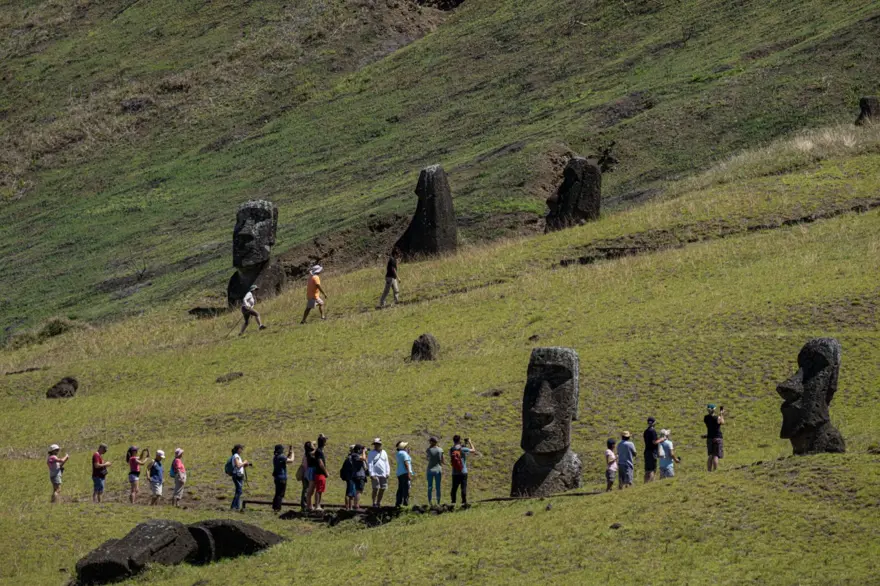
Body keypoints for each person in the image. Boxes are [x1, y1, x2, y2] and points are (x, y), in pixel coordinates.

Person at [450, 435, 476, 506]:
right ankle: (464, 503)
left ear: (453, 440)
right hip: (463, 472)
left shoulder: (451, 449)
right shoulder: (463, 448)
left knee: (454, 489)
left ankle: (453, 503)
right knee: (463, 488)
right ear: (459, 440)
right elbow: (473, 450)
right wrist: (470, 442)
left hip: (455, 473)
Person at [306, 434, 329, 511]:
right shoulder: (319, 451)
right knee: (318, 490)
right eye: (325, 441)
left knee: (319, 490)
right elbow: (320, 463)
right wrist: (326, 472)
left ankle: (316, 505)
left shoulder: (318, 450)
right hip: (320, 473)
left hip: (319, 473)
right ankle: (316, 506)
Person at [367, 438, 390, 508]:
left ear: (380, 445)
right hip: (374, 473)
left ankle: (378, 502)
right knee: (375, 488)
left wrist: (387, 472)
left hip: (383, 473)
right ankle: (374, 502)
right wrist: (371, 473)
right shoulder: (371, 453)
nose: (376, 446)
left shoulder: (384, 452)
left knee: (383, 488)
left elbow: (386, 463)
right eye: (375, 444)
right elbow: (370, 463)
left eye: (378, 444)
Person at [272, 444, 295, 512]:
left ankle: (275, 507)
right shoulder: (281, 457)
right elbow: (291, 460)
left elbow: (285, 460)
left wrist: (289, 453)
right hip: (282, 478)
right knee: (280, 494)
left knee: (277, 493)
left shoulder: (276, 457)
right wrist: (293, 453)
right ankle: (278, 508)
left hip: (277, 478)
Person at [229, 444, 251, 511]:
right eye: (241, 449)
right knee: (239, 491)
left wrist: (245, 465)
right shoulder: (236, 456)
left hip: (238, 475)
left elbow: (239, 466)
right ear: (238, 449)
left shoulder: (237, 456)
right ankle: (233, 506)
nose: (242, 450)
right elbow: (238, 465)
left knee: (238, 491)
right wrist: (244, 462)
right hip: (237, 475)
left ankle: (237, 507)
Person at [704, 404, 725, 472]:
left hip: (709, 438)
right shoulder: (716, 418)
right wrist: (721, 414)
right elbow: (722, 422)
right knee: (716, 455)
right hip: (717, 437)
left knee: (710, 455)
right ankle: (715, 470)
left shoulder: (706, 418)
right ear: (714, 410)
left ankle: (709, 470)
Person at [348, 444, 368, 511]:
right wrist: (364, 451)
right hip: (359, 476)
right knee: (358, 491)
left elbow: (365, 461)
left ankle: (356, 505)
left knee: (358, 490)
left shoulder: (356, 455)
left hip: (359, 475)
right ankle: (356, 506)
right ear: (359, 449)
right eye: (361, 449)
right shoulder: (355, 455)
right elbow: (364, 458)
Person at [643, 416, 663, 483]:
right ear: (654, 423)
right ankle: (651, 482)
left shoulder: (645, 431)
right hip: (652, 452)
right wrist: (661, 439)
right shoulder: (652, 431)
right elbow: (654, 442)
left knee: (647, 469)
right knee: (652, 469)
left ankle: (645, 482)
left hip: (646, 451)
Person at [425, 437, 444, 505]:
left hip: (430, 469)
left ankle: (430, 502)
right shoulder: (440, 450)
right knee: (438, 487)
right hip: (438, 469)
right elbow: (442, 461)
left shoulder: (429, 450)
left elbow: (427, 458)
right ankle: (438, 502)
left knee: (430, 487)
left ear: (432, 442)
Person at [395, 441, 413, 508]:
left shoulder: (399, 453)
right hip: (405, 472)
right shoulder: (404, 454)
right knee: (406, 488)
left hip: (400, 473)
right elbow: (406, 463)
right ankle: (406, 502)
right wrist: (408, 473)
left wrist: (407, 454)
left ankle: (398, 502)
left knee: (400, 488)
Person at [297, 441, 313, 510]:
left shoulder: (305, 454)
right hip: (308, 474)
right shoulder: (310, 455)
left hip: (304, 474)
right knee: (307, 490)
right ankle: (306, 504)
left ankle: (304, 504)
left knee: (305, 490)